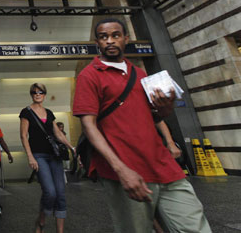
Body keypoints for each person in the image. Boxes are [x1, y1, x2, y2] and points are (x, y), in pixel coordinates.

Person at [73, 18, 211, 233]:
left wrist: (166, 107)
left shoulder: (140, 74)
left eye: (115, 35)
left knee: (195, 227)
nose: (110, 41)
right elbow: (88, 126)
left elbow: (155, 117)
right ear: (97, 42)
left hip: (164, 166)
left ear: (126, 38)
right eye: (103, 37)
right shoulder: (89, 76)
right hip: (125, 169)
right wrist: (121, 170)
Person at [20, 83, 75, 233]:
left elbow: (57, 134)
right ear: (31, 94)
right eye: (34, 92)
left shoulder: (49, 113)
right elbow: (24, 135)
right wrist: (30, 156)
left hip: (54, 156)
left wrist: (71, 147)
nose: (37, 94)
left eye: (40, 92)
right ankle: (41, 219)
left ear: (44, 94)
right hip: (39, 156)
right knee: (50, 192)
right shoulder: (26, 112)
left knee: (60, 194)